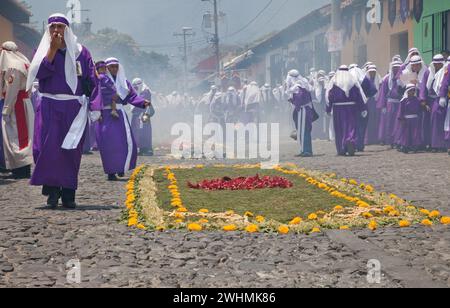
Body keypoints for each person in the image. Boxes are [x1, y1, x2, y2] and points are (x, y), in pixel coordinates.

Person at [27, 14, 101, 209]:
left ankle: (68, 193)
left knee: (70, 150)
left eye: (60, 26)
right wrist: (51, 50)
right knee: (45, 149)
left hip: (73, 108)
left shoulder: (81, 53)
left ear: (67, 30)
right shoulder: (42, 51)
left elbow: (93, 82)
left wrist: (95, 107)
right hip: (49, 106)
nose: (56, 31)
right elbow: (39, 74)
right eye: (52, 27)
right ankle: (52, 191)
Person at [95, 57, 150, 181]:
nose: (114, 69)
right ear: (107, 68)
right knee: (108, 145)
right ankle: (110, 171)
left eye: (116, 66)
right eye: (111, 67)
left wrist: (142, 102)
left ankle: (121, 167)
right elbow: (95, 95)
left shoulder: (124, 82)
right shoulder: (101, 80)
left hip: (119, 116)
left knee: (124, 143)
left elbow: (132, 96)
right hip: (105, 115)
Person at [0, 41, 33, 179]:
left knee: (17, 138)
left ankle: (20, 169)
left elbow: (11, 91)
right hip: (25, 101)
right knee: (24, 138)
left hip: (16, 104)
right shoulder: (23, 62)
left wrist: (6, 110)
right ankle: (22, 168)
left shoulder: (12, 67)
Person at [326, 65, 367, 156]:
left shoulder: (334, 81)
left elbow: (330, 96)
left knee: (340, 128)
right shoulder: (353, 81)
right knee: (351, 126)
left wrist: (328, 109)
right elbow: (359, 96)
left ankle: (341, 148)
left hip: (338, 109)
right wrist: (363, 108)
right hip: (351, 108)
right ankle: (350, 140)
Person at [420, 54, 446, 152]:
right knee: (427, 122)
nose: (436, 66)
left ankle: (438, 144)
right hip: (429, 100)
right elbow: (423, 86)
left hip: (439, 99)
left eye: (439, 64)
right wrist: (422, 99)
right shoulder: (428, 72)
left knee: (437, 122)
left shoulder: (445, 72)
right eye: (435, 64)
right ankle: (429, 143)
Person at [377, 60, 404, 147]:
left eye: (397, 68)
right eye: (394, 68)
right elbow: (383, 93)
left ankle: (398, 140)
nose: (396, 69)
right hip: (390, 104)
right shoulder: (386, 79)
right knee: (389, 123)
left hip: (400, 104)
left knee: (398, 123)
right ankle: (390, 140)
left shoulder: (403, 77)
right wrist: (383, 106)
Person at [291, 79, 314, 157]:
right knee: (302, 131)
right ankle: (303, 149)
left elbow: (298, 101)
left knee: (304, 131)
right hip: (304, 110)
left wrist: (292, 101)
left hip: (302, 111)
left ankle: (306, 150)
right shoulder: (304, 89)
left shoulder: (299, 89)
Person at [131, 78, 154, 156]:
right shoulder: (140, 91)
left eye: (136, 86)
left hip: (143, 114)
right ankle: (141, 148)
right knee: (139, 132)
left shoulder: (145, 91)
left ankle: (147, 149)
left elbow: (141, 102)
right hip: (138, 114)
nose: (135, 88)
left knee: (144, 131)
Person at [397, 84, 423, 153]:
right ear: (407, 91)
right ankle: (405, 146)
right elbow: (401, 111)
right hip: (406, 120)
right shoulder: (403, 101)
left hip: (415, 119)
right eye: (411, 90)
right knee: (406, 134)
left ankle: (414, 147)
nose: (412, 92)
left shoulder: (417, 100)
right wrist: (401, 119)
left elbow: (420, 109)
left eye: (413, 90)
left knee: (414, 134)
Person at [365, 65, 382, 145]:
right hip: (368, 102)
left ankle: (376, 139)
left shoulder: (379, 80)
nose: (372, 73)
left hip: (376, 102)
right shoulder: (365, 81)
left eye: (373, 72)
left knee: (376, 120)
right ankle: (367, 139)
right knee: (368, 121)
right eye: (370, 72)